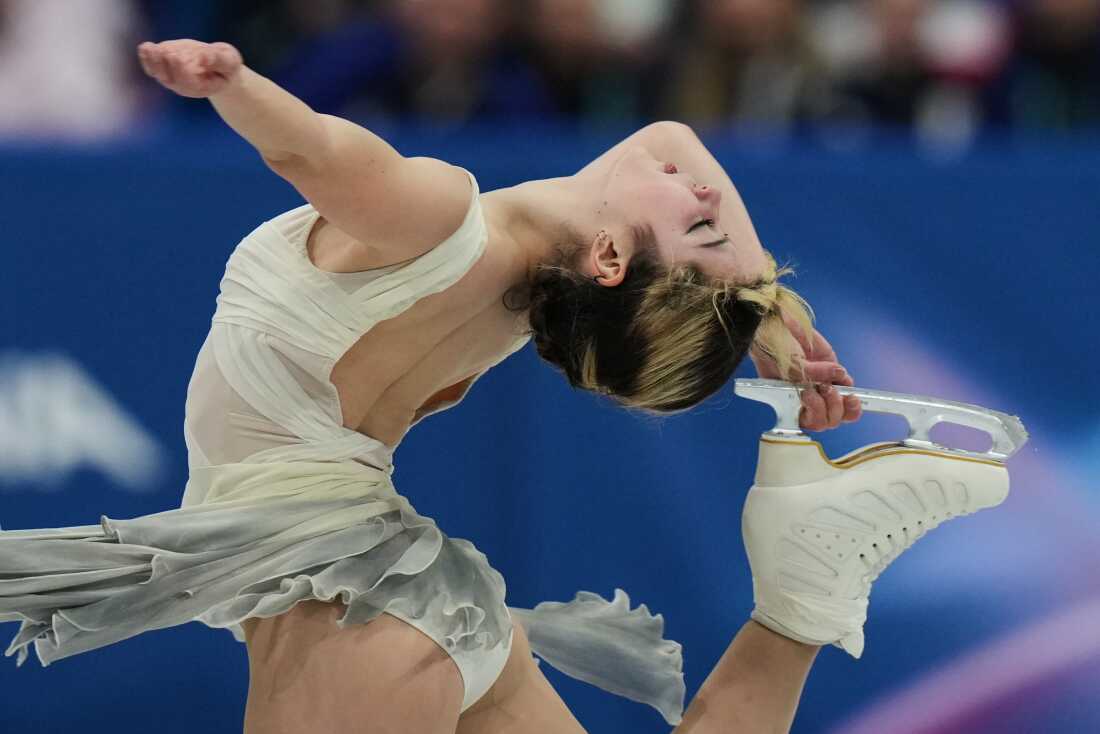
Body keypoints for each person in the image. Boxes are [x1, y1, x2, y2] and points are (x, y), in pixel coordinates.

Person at [2, 38, 868, 734]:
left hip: (353, 616)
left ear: (610, 259)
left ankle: (802, 598)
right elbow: (671, 139)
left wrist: (233, 85)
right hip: (419, 598)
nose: (711, 186)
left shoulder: (444, 225)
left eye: (700, 219)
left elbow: (314, 147)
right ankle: (799, 604)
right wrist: (755, 303)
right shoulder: (529, 300)